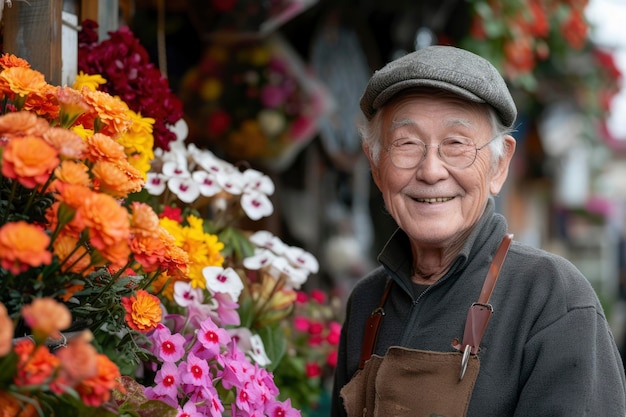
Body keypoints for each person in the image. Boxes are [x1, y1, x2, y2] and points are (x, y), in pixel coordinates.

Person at [330, 45, 626, 417]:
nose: (431, 170)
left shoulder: (552, 297)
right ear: (375, 166)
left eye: (457, 144)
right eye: (406, 144)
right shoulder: (368, 301)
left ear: (499, 167)